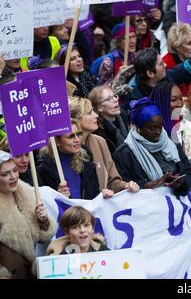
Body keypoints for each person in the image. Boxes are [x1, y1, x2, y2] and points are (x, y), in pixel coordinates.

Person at [113, 98, 191, 196]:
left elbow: (188, 170)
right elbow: (125, 189)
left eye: (160, 127)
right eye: (152, 128)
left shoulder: (171, 142)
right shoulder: (124, 154)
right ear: (139, 128)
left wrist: (181, 183)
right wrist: (152, 184)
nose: (158, 132)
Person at [0, 150, 56, 279]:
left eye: (15, 170)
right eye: (5, 174)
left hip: (31, 271)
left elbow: (43, 237)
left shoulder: (27, 192)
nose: (13, 176)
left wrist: (43, 221)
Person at [68, 96, 139, 195]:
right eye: (89, 113)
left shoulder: (100, 142)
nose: (96, 115)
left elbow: (113, 182)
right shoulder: (65, 148)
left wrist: (125, 186)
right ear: (75, 119)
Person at [38, 121, 112, 200]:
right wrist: (57, 196)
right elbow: (45, 203)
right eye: (71, 136)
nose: (77, 140)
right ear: (57, 142)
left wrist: (103, 196)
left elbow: (93, 198)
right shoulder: (45, 170)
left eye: (78, 134)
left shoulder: (87, 164)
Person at [150, 80, 191, 173]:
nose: (179, 104)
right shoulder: (150, 130)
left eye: (180, 99)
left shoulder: (187, 126)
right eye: (173, 100)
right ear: (162, 102)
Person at [89, 85, 130, 154]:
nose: (115, 100)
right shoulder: (98, 133)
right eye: (108, 99)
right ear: (99, 108)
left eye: (114, 96)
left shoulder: (126, 116)